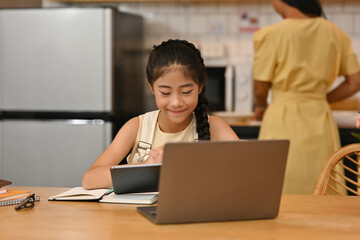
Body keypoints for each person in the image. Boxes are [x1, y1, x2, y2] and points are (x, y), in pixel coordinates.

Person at [82, 39, 240, 190]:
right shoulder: (137, 127)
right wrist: (146, 166)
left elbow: (248, 169)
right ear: (151, 87)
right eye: (165, 92)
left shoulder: (215, 127)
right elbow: (89, 179)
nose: (176, 102)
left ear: (200, 86)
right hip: (134, 217)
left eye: (186, 92)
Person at [253, 0, 360, 194]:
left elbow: (260, 90)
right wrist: (321, 98)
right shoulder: (336, 33)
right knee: (323, 185)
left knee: (279, 185)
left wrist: (261, 106)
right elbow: (355, 82)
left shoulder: (270, 35)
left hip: (281, 118)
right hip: (319, 117)